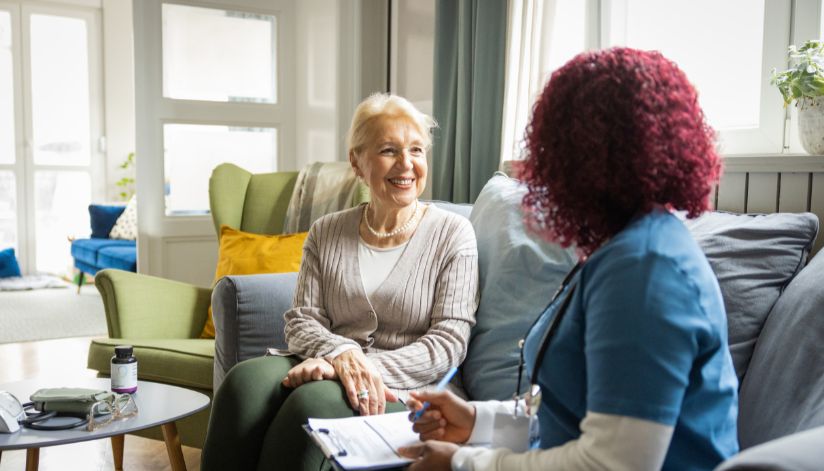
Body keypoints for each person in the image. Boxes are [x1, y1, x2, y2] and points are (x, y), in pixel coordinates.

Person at [399, 48, 739, 470]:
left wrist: (463, 464)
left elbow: (612, 463)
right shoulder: (621, 249)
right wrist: (476, 421)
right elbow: (572, 414)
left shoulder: (644, 270)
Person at [201, 93, 479, 471]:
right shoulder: (327, 231)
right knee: (241, 385)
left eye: (416, 150)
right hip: (323, 362)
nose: (407, 164)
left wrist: (352, 365)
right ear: (357, 162)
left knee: (309, 404)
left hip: (410, 384)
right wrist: (339, 353)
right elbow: (301, 320)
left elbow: (448, 344)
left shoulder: (453, 234)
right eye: (388, 150)